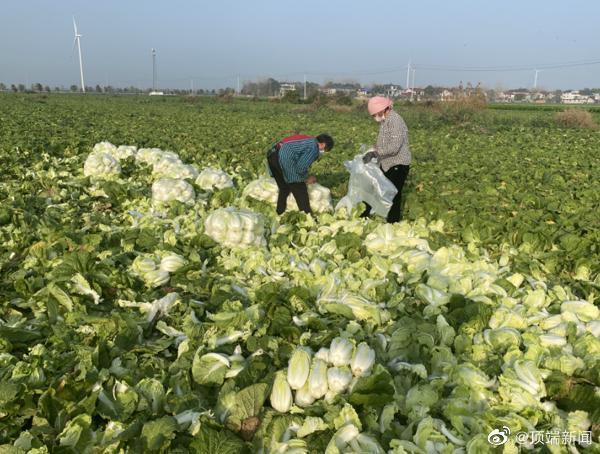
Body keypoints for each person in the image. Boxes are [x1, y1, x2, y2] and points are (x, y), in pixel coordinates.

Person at [361, 96, 411, 223]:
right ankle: (365, 215)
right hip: (387, 163)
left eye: (375, 114)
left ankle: (393, 223)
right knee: (376, 188)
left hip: (397, 164)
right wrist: (372, 149)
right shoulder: (386, 121)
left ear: (383, 110)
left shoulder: (395, 121)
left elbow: (394, 147)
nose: (374, 117)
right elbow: (384, 142)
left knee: (393, 194)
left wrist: (375, 153)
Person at [267, 133, 334, 215]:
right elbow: (300, 167)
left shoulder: (307, 139)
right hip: (284, 157)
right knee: (299, 188)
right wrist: (306, 178)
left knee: (284, 188)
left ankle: (280, 212)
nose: (323, 152)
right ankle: (308, 216)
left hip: (272, 155)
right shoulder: (314, 148)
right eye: (325, 149)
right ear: (323, 144)